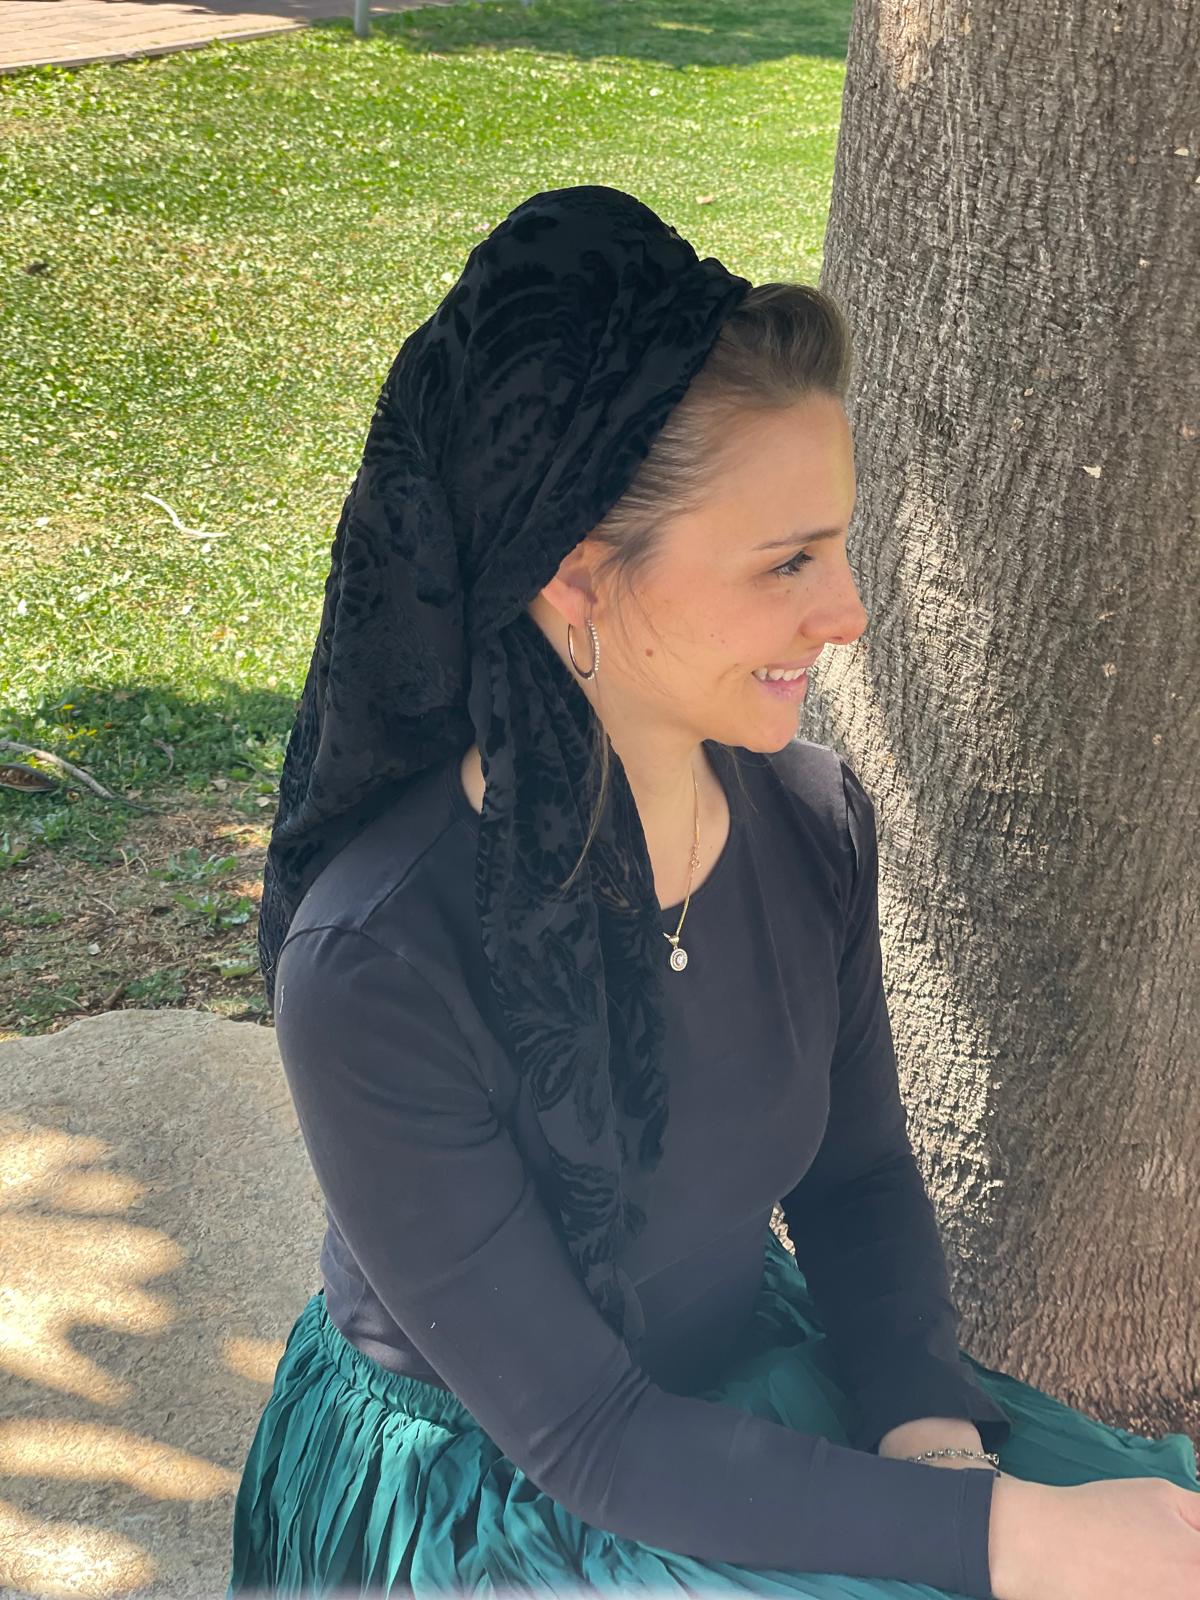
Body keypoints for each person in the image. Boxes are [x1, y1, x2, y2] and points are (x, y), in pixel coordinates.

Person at [227, 186, 1200, 1600]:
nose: (848, 612)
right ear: (577, 583)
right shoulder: (373, 964)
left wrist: (937, 1452)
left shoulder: (810, 820)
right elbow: (589, 1436)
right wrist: (1010, 1540)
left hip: (731, 1404)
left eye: (840, 543)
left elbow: (858, 1181)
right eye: (787, 561)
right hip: (495, 1495)